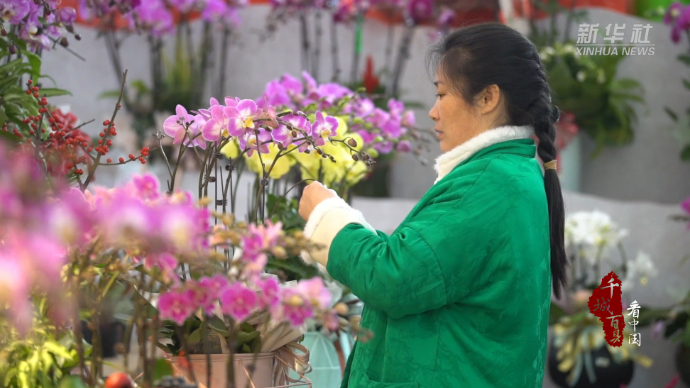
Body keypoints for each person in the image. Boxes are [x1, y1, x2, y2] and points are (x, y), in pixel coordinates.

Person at [298, 22, 567, 388]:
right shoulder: (510, 174)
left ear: (488, 98)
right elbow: (425, 265)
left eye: (442, 94)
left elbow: (394, 277)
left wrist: (325, 216)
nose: (433, 111)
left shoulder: (488, 184)